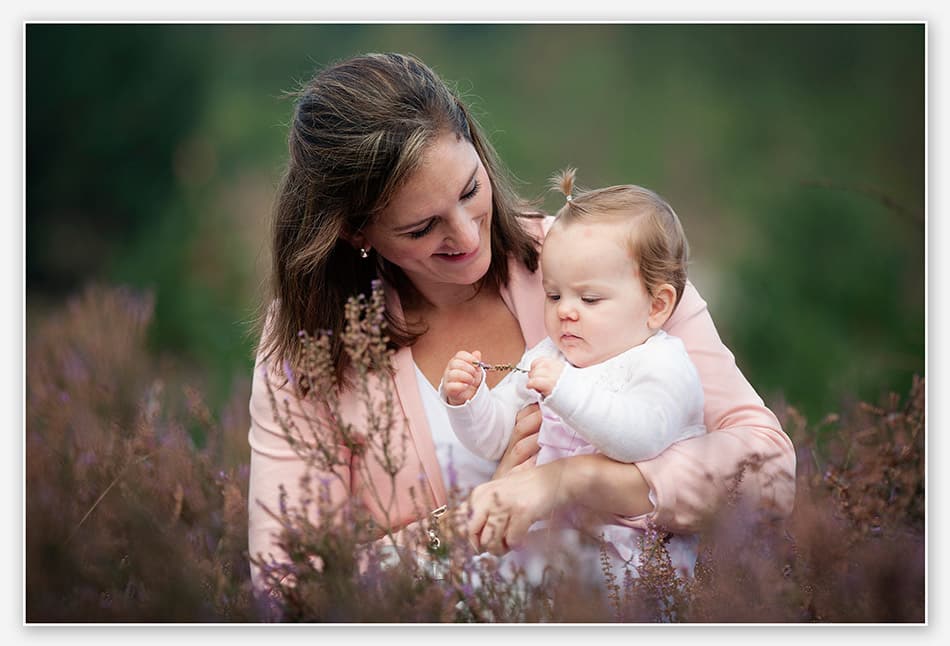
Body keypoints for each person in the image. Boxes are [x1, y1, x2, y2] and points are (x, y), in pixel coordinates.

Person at [247, 52, 796, 596]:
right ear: (356, 233)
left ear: (479, 152)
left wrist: (574, 482)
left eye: (468, 192)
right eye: (421, 228)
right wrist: (466, 521)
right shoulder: (309, 346)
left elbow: (769, 470)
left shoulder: (603, 266)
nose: (465, 238)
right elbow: (285, 590)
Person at [438, 168, 706, 575]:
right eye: (554, 294)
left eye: (591, 298)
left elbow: (640, 440)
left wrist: (566, 390)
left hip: (631, 556)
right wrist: (469, 401)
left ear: (656, 306)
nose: (565, 310)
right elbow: (496, 440)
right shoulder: (551, 356)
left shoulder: (663, 363)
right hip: (550, 545)